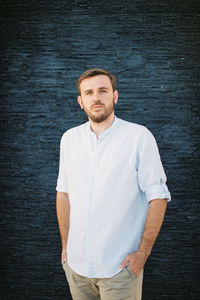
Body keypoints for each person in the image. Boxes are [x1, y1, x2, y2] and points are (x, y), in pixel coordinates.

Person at [56, 68, 171, 300]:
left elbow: (157, 196)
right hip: (76, 267)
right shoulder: (69, 139)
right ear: (80, 101)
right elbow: (64, 193)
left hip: (120, 269)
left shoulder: (139, 137)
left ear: (115, 96)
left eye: (103, 91)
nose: (96, 98)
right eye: (88, 93)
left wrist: (143, 253)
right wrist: (66, 248)